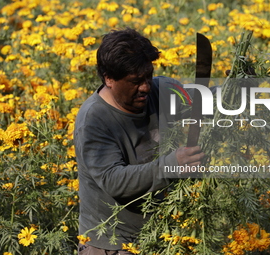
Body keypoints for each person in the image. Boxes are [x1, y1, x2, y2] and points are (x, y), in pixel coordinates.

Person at [74, 28, 205, 255]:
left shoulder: (160, 90)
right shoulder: (94, 120)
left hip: (162, 233)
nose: (145, 86)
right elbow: (114, 181)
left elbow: (199, 103)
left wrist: (238, 92)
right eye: (135, 81)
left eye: (148, 76)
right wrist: (170, 165)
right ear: (109, 79)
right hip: (113, 244)